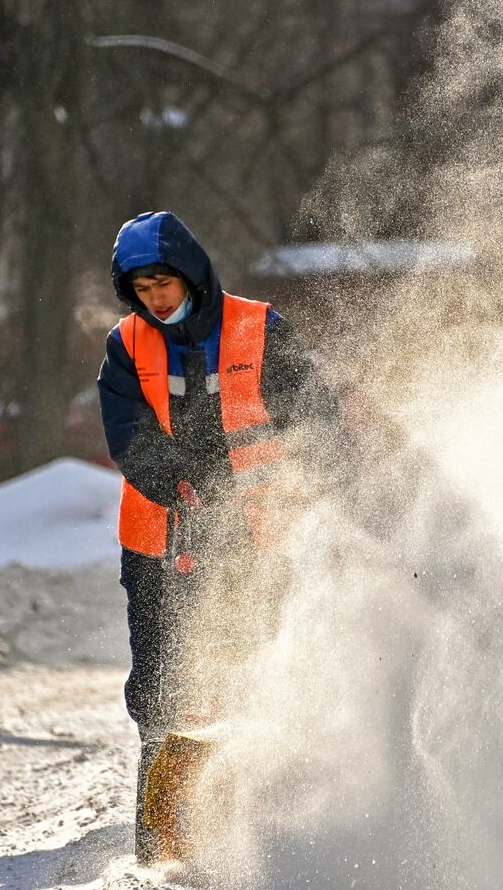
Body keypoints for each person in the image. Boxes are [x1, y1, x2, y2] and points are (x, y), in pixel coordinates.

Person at [97, 210, 338, 865]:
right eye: (142, 290)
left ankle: (251, 833)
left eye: (164, 284)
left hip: (255, 538)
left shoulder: (259, 329)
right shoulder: (127, 344)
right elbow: (128, 434)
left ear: (191, 273)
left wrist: (330, 475)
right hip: (158, 540)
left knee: (251, 673)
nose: (156, 300)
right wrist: (177, 488)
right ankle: (162, 843)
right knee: (162, 685)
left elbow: (313, 411)